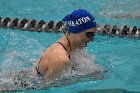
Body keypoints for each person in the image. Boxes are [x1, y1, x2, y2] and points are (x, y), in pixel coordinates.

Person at [34, 9, 97, 82]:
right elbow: (47, 88)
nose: (92, 39)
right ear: (75, 30)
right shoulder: (61, 59)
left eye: (93, 34)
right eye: (89, 34)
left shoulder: (71, 46)